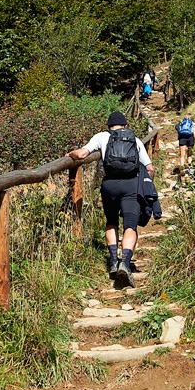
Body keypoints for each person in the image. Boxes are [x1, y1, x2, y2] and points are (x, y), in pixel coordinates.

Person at [68, 111, 155, 289]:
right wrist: (145, 184)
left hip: (109, 185)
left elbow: (82, 154)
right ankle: (126, 263)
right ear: (125, 126)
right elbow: (149, 167)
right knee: (130, 225)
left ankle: (113, 261)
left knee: (111, 221)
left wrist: (70, 154)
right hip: (131, 185)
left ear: (109, 126)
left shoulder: (101, 137)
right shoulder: (134, 139)